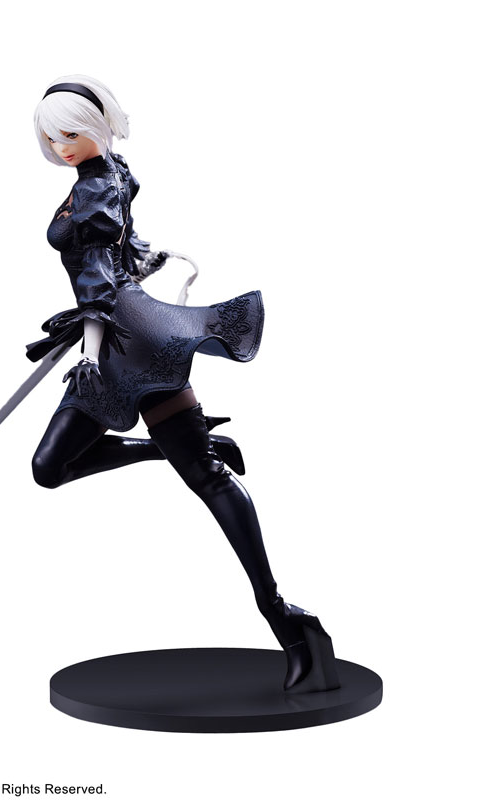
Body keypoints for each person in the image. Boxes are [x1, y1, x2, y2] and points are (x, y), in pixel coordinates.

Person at [27, 75, 339, 692]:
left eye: (70, 133)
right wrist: (131, 273)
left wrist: (89, 342)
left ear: (95, 126)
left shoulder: (96, 188)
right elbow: (119, 251)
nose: (61, 145)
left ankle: (285, 618)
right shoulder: (106, 175)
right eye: (51, 136)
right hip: (113, 329)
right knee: (50, 466)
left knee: (205, 479)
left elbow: (99, 276)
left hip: (126, 340)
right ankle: (181, 447)